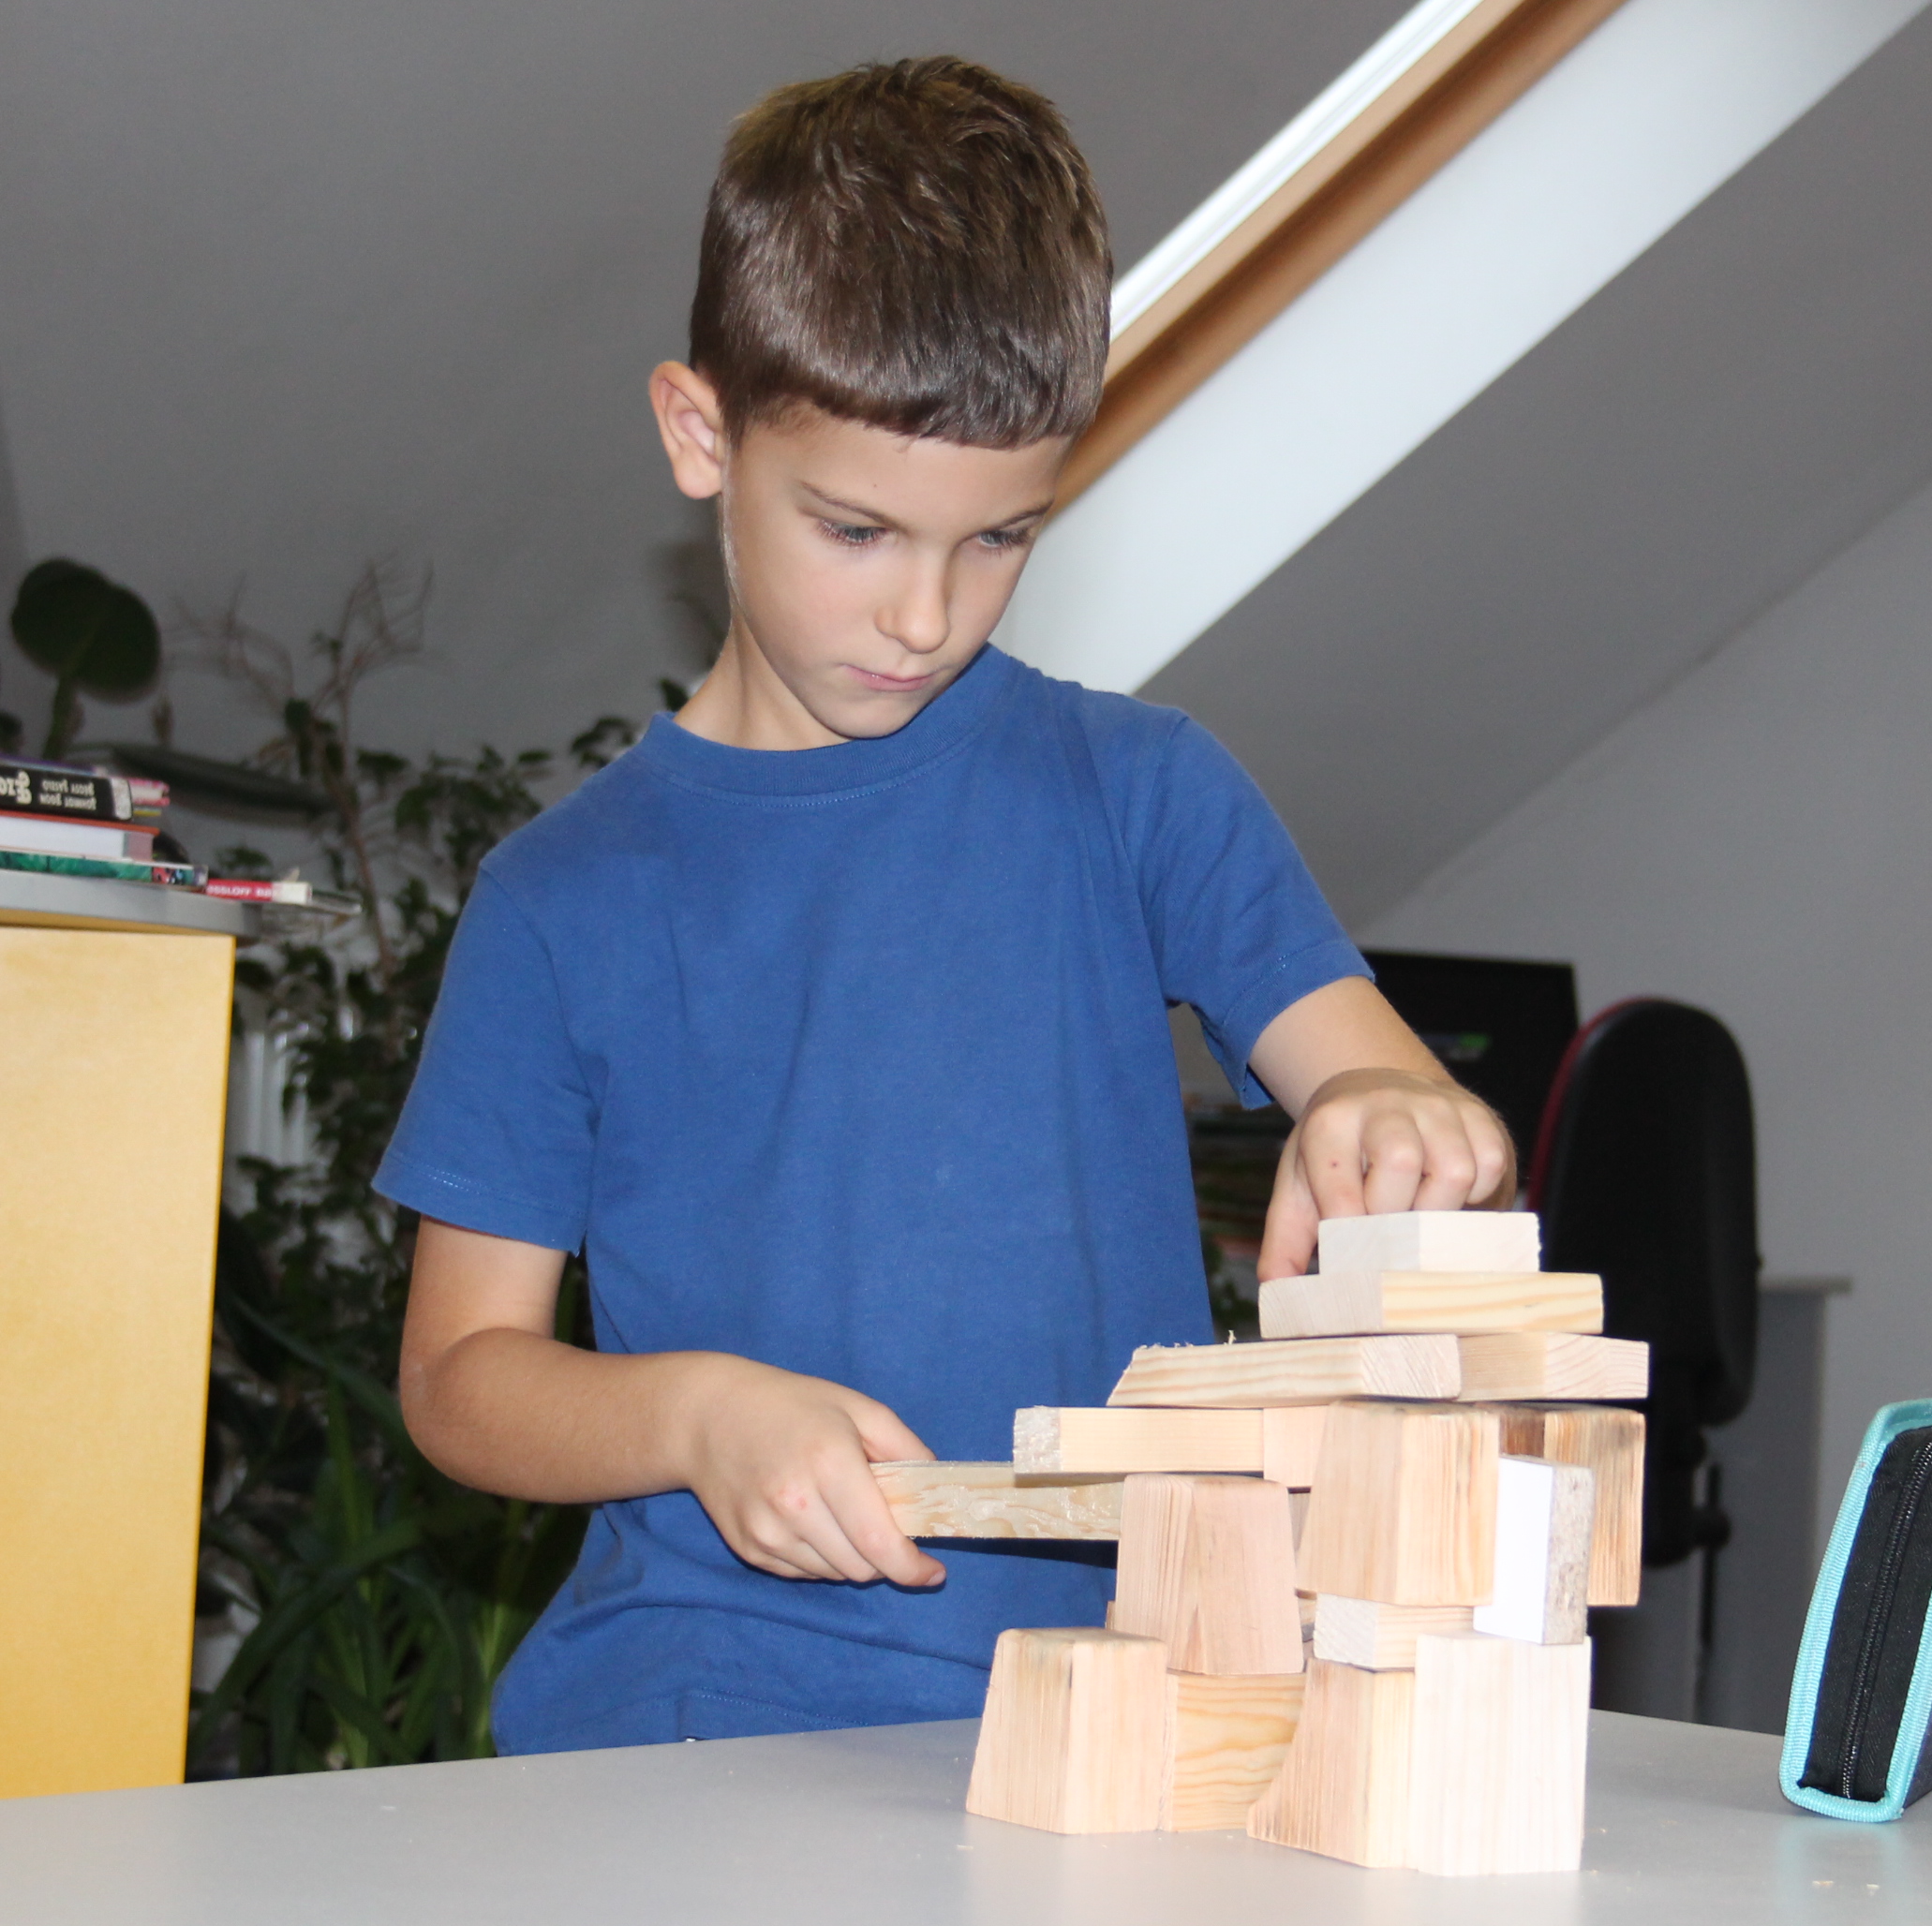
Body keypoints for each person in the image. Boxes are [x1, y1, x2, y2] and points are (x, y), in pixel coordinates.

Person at [379, 54, 1513, 1754]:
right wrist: (694, 1417)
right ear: (701, 434)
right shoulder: (562, 901)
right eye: (856, 530)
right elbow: (462, 1380)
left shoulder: (1142, 792)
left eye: (1000, 540)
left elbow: (1397, 1096)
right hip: (703, 1710)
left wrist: (1393, 1120)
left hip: (1127, 1706)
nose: (925, 614)